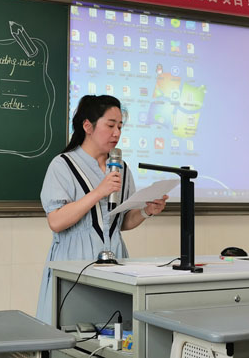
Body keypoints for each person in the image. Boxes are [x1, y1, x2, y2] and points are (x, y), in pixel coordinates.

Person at [36, 94, 168, 324]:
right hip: (75, 262)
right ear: (88, 126)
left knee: (116, 331)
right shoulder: (62, 165)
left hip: (115, 261)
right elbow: (56, 221)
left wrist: (146, 211)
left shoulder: (120, 167)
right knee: (74, 329)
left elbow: (119, 222)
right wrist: (98, 192)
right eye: (110, 125)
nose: (116, 133)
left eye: (120, 127)